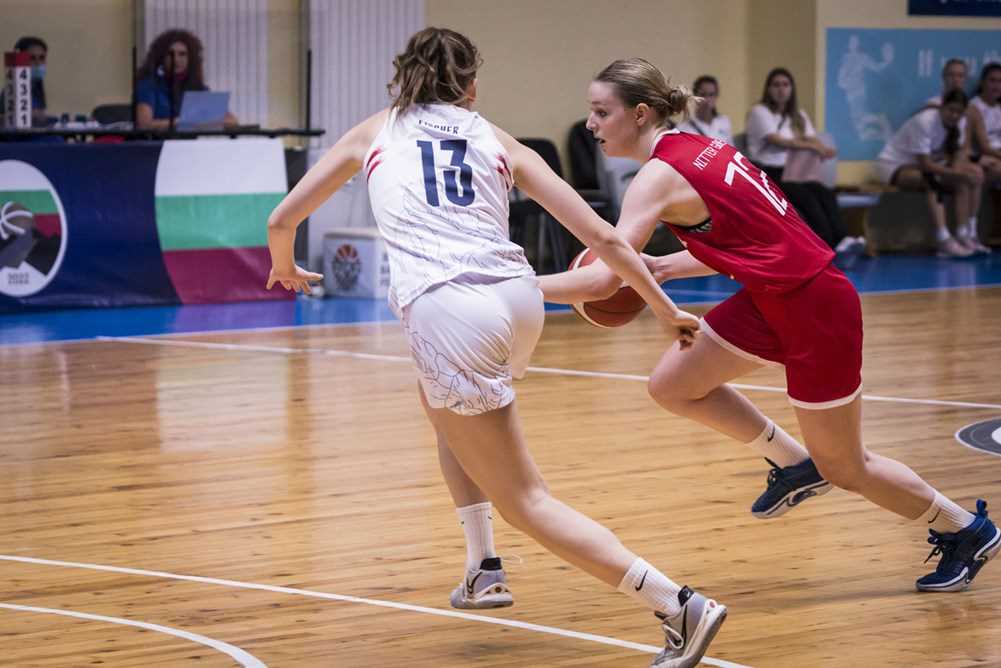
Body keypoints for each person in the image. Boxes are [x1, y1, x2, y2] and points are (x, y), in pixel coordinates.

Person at [264, 28, 726, 667]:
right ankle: (482, 568)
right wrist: (664, 308)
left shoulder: (376, 130)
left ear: (404, 80)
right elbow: (605, 237)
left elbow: (281, 219)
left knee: (526, 499)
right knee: (439, 405)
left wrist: (285, 265)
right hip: (518, 297)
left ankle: (678, 604)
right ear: (471, 86)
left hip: (450, 307)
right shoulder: (496, 138)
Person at [537, 57, 999, 594]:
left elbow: (599, 284)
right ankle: (795, 463)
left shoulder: (656, 177)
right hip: (774, 296)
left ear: (640, 114)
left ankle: (965, 528)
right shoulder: (705, 149)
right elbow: (756, 243)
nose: (590, 124)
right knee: (673, 385)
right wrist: (663, 267)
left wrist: (511, 286)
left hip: (814, 308)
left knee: (849, 467)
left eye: (600, 112)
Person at [746, 67, 864, 260]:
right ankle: (825, 245)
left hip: (796, 171)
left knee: (824, 192)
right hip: (768, 172)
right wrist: (812, 147)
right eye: (776, 85)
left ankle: (842, 240)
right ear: (768, 89)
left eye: (785, 85)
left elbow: (811, 138)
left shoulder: (798, 115)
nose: (781, 89)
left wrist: (822, 148)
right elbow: (778, 140)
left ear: (791, 89)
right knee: (806, 197)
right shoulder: (759, 112)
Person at [875, 89, 986, 256]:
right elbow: (925, 164)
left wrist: (962, 172)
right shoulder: (925, 121)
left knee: (970, 176)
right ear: (942, 107)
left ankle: (965, 234)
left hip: (923, 167)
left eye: (959, 112)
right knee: (932, 180)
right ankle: (943, 239)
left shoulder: (960, 123)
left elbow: (957, 155)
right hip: (892, 165)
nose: (954, 115)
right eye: (951, 110)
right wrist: (957, 174)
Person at [134, 29, 237, 130]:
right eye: (170, 54)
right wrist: (183, 121)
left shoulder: (199, 88)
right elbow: (144, 124)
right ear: (161, 57)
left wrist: (200, 121)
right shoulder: (149, 85)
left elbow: (232, 121)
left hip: (188, 145)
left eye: (182, 54)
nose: (176, 59)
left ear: (191, 59)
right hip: (158, 145)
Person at [0, 36, 50, 127]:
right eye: (32, 58)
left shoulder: (37, 86)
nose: (38, 63)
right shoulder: (10, 90)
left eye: (42, 58)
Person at [676, 75, 732, 144]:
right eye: (702, 95)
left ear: (716, 96)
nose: (707, 99)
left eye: (711, 95)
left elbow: (731, 149)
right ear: (695, 96)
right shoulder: (684, 129)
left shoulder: (724, 121)